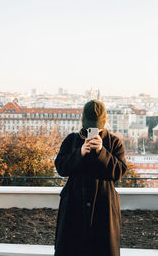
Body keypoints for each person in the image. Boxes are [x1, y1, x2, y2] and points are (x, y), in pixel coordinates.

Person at [54, 99, 128, 256]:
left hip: (103, 209)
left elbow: (119, 172)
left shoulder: (113, 142)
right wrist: (79, 153)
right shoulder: (72, 140)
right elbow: (61, 167)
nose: (94, 130)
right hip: (74, 207)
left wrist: (102, 152)